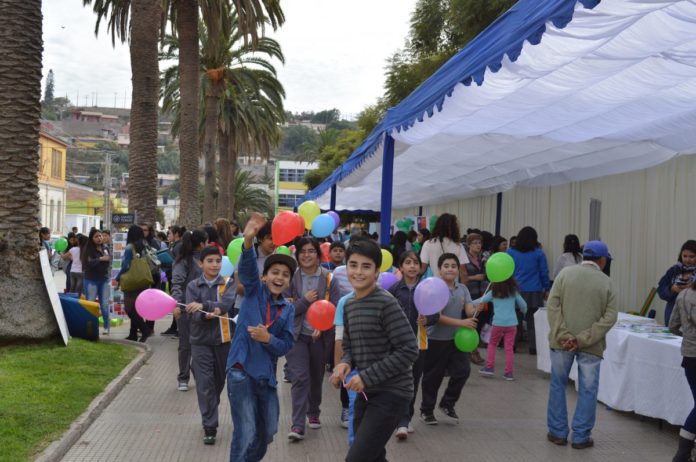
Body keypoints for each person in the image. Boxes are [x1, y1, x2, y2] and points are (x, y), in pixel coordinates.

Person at [331, 238, 418, 462]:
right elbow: (349, 345)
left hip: (393, 393)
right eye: (353, 265)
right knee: (372, 456)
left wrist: (366, 376)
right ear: (346, 267)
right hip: (367, 392)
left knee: (357, 458)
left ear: (378, 271)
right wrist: (344, 363)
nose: (358, 272)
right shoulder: (349, 303)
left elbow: (409, 349)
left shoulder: (385, 303)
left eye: (366, 266)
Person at [226, 213, 296, 461]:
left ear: (288, 282)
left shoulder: (288, 309)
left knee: (268, 431)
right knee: (245, 431)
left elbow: (286, 345)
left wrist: (268, 339)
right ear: (265, 276)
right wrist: (248, 240)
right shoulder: (254, 291)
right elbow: (246, 271)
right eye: (274, 272)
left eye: (285, 275)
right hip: (240, 370)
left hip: (265, 376)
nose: (279, 277)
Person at [546, 240, 617, 449]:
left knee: (558, 385)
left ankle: (558, 433)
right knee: (587, 389)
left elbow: (552, 306)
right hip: (591, 346)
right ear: (602, 260)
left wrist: (565, 335)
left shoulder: (564, 274)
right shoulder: (607, 282)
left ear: (583, 256)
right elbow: (610, 317)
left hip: (561, 343)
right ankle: (580, 437)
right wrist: (583, 339)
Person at [284, 237, 341, 441]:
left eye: (311, 251)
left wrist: (323, 326)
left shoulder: (328, 278)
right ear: (297, 255)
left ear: (318, 255)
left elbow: (336, 309)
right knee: (300, 378)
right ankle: (297, 425)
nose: (306, 255)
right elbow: (286, 310)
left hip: (320, 339)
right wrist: (304, 301)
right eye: (302, 251)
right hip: (296, 336)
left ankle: (313, 412)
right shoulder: (291, 277)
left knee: (316, 377)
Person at [185, 246, 236, 445]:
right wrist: (203, 314)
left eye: (217, 261)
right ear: (201, 263)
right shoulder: (192, 286)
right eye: (210, 261)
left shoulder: (228, 283)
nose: (214, 265)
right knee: (205, 385)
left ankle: (210, 408)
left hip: (223, 340)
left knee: (218, 382)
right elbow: (192, 310)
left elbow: (225, 305)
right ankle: (210, 426)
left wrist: (206, 307)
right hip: (199, 342)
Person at [419, 253, 477, 426]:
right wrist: (462, 322)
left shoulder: (463, 289)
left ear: (458, 269)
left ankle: (447, 403)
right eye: (446, 266)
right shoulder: (435, 289)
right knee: (433, 377)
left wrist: (475, 310)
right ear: (439, 269)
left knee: (463, 371)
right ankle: (426, 410)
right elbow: (437, 317)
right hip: (436, 338)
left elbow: (468, 311)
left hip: (456, 339)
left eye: (453, 266)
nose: (450, 269)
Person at [388, 251, 436, 439]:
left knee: (413, 383)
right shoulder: (393, 289)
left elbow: (436, 314)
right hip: (397, 345)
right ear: (400, 267)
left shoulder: (426, 289)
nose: (412, 266)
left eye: (415, 262)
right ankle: (399, 419)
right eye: (407, 262)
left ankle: (404, 420)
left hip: (419, 344)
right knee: (398, 382)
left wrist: (428, 319)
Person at [171, 229, 208, 391]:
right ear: (201, 244)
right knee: (186, 344)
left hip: (204, 309)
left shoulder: (206, 260)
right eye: (206, 242)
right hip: (186, 309)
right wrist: (178, 305)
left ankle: (196, 373)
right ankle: (183, 378)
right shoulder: (184, 260)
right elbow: (177, 283)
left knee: (201, 344)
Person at [508, 226, 550, 354]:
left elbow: (507, 271)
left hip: (516, 290)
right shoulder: (539, 253)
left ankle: (512, 346)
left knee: (515, 320)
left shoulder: (511, 252)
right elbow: (544, 272)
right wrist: (547, 288)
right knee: (533, 321)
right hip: (534, 290)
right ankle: (533, 348)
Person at [475, 277, 527, 380]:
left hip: (498, 323)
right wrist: (523, 311)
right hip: (512, 324)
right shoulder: (513, 291)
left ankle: (489, 368)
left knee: (492, 344)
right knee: (509, 348)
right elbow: (524, 305)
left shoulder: (494, 292)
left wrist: (467, 301)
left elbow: (481, 301)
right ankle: (508, 373)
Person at [669, 276, 696, 461]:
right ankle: (682, 454)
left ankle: (683, 453)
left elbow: (673, 326)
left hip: (689, 356)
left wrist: (688, 337)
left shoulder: (684, 294)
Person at [116, 225, 152, 342]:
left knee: (129, 309)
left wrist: (118, 277)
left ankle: (145, 329)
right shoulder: (144, 245)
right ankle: (133, 334)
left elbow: (126, 266)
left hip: (131, 281)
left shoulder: (129, 247)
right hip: (143, 280)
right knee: (137, 309)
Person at [462, 233, 488, 365]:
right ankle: (471, 350)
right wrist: (475, 277)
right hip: (468, 294)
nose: (478, 245)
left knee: (479, 321)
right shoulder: (464, 259)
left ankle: (472, 348)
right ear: (469, 245)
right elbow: (463, 278)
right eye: (475, 243)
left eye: (479, 243)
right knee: (469, 322)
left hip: (482, 294)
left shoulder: (483, 258)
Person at [659, 240, 696, 326]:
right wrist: (672, 289)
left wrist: (691, 290)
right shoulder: (674, 270)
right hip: (672, 317)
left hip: (692, 322)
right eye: (684, 256)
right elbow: (660, 290)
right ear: (680, 256)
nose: (687, 259)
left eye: (692, 256)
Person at [420, 213, 469, 279]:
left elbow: (422, 268)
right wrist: (463, 287)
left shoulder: (428, 244)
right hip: (452, 285)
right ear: (454, 228)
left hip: (434, 285)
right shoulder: (458, 246)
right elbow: (463, 272)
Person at [82, 229, 112, 335]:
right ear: (92, 238)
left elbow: (109, 261)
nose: (99, 238)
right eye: (96, 236)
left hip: (104, 279)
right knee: (91, 303)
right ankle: (91, 328)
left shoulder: (106, 248)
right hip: (91, 280)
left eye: (100, 236)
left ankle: (106, 327)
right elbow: (87, 264)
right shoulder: (88, 250)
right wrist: (100, 259)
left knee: (104, 304)